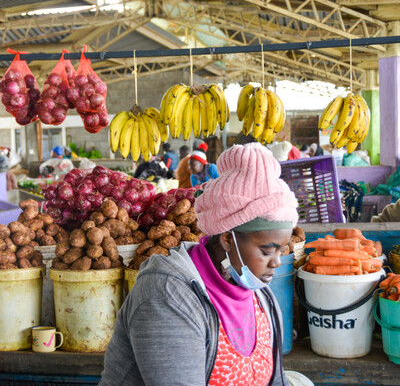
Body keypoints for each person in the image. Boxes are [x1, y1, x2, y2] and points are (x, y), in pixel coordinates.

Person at [99, 142, 306, 386]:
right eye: (266, 251)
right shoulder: (166, 295)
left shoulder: (261, 297)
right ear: (228, 239)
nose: (277, 262)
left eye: (281, 251)